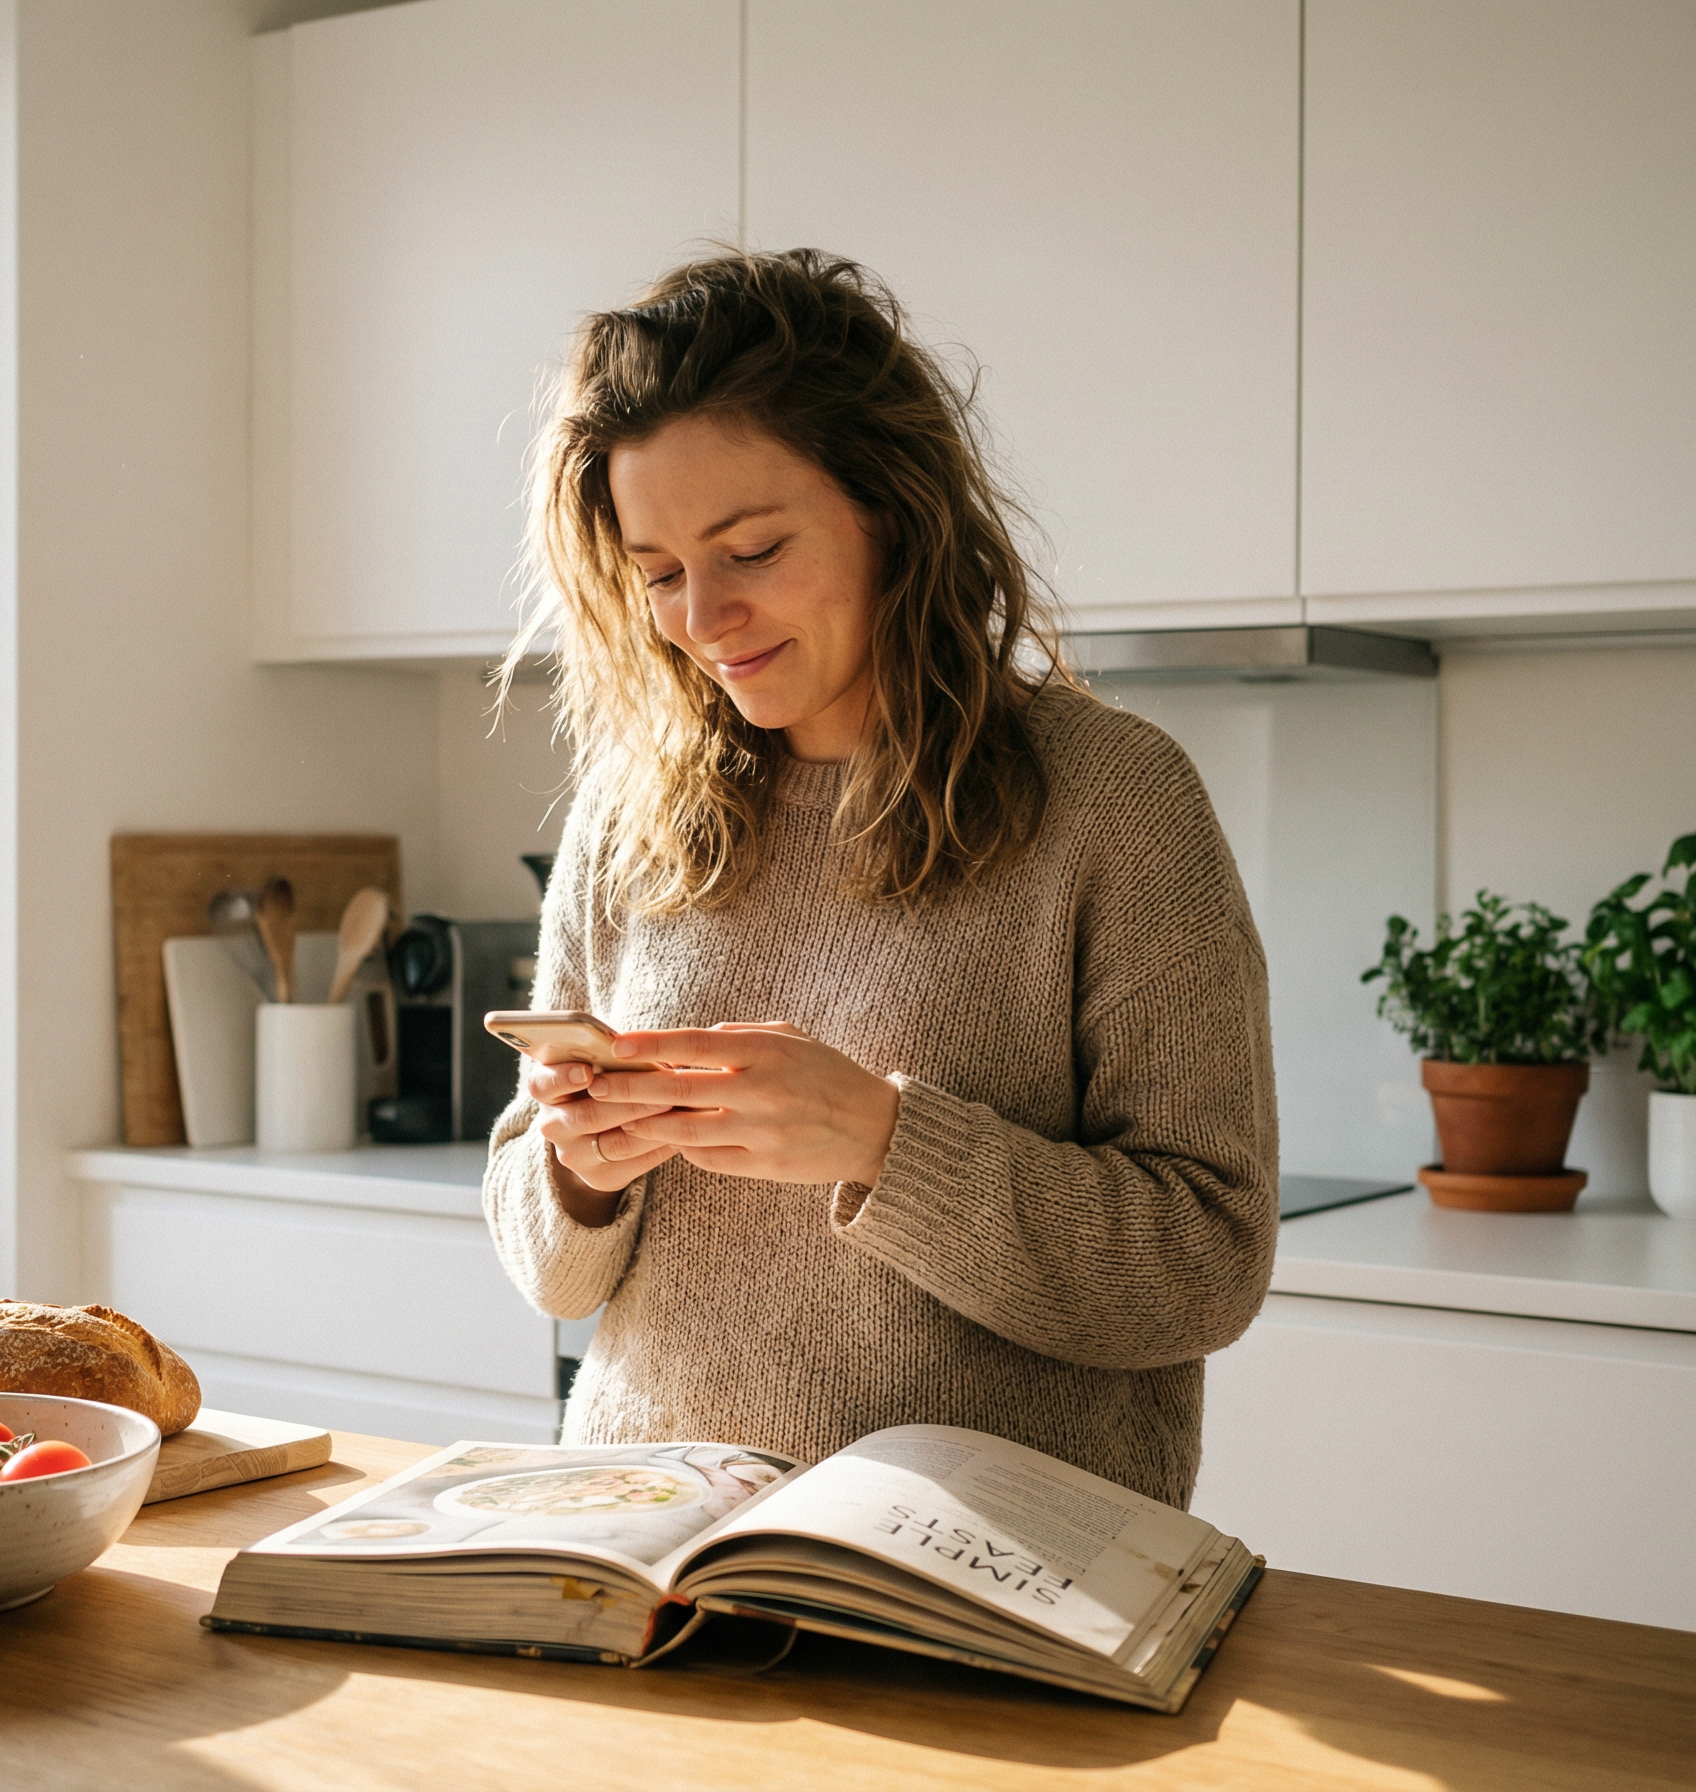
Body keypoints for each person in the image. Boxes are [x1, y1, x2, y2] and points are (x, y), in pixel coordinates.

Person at [481, 249, 1276, 1509]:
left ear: (890, 507)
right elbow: (552, 1272)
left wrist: (886, 1142)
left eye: (751, 548)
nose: (702, 617)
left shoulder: (1117, 802)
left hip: (984, 1572)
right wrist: (576, 1165)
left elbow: (1203, 1263)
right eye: (660, 573)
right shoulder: (629, 813)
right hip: (647, 1534)